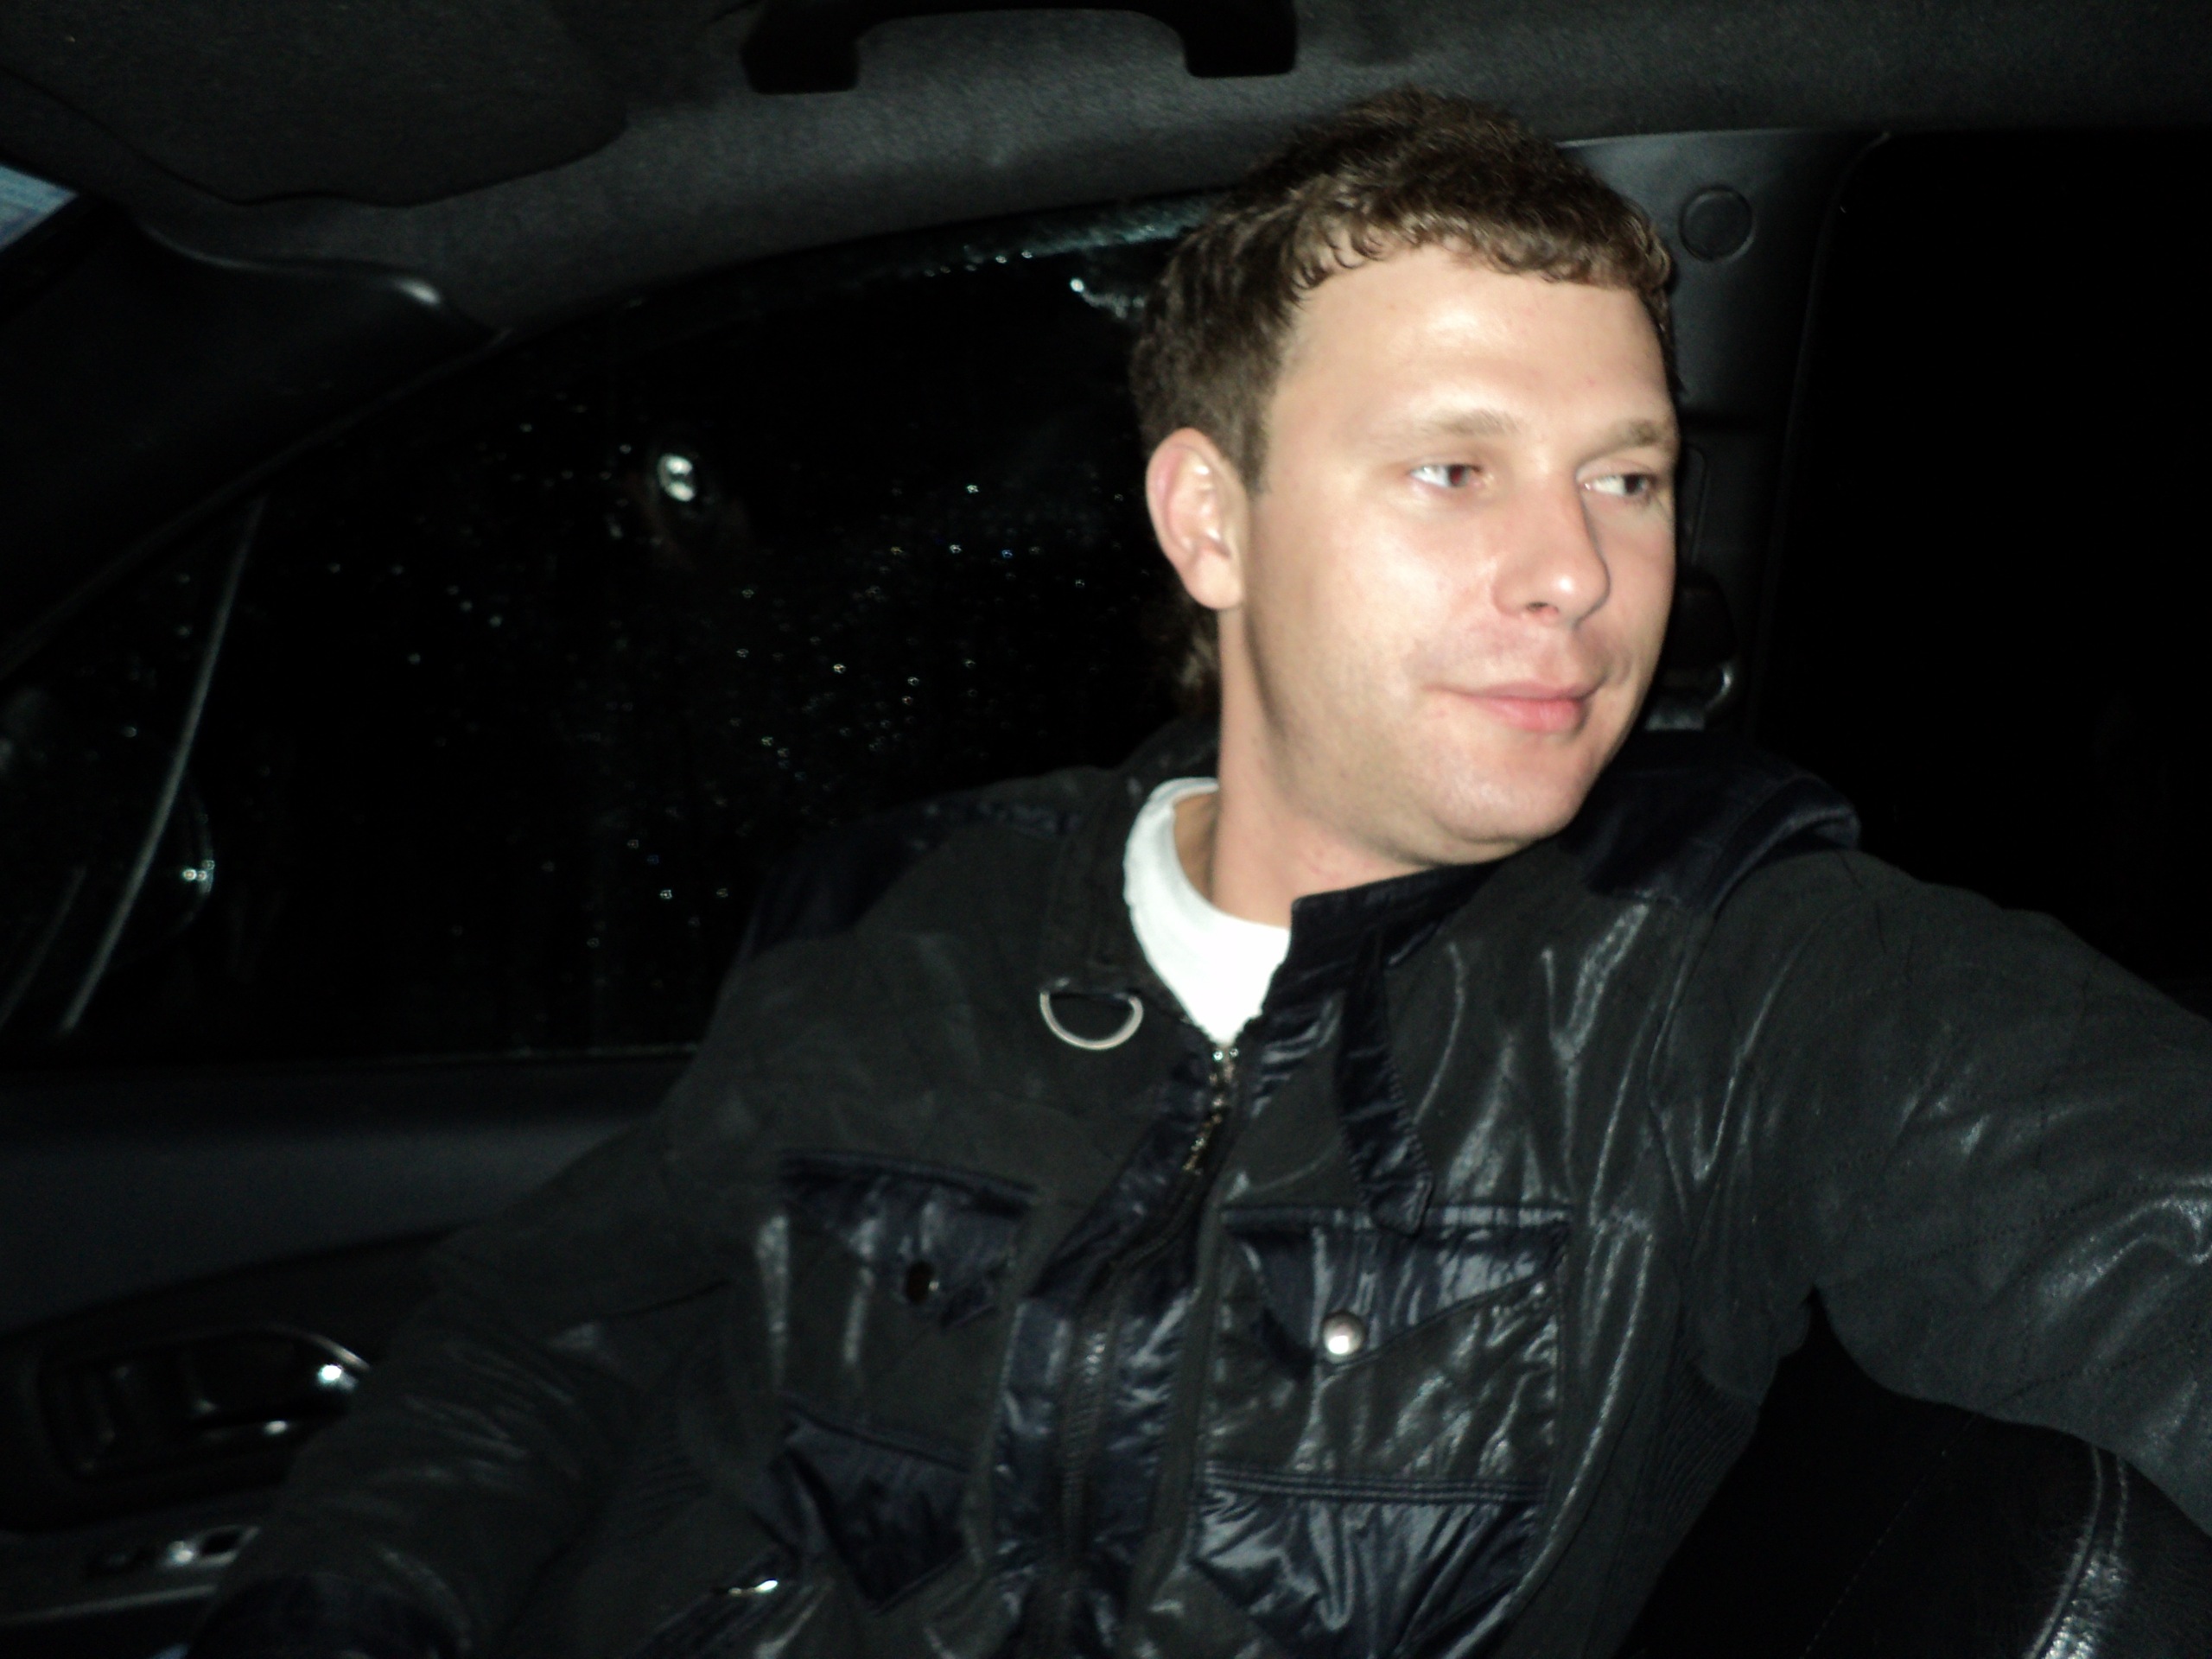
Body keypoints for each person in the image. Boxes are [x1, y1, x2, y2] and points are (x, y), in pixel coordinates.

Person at [189, 90, 2212, 1659]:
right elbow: (540, 1341)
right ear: (1209, 519)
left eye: (1625, 476)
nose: (1578, 571)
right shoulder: (909, 923)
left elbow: (2147, 1223)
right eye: (1453, 469)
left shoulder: (1721, 973)